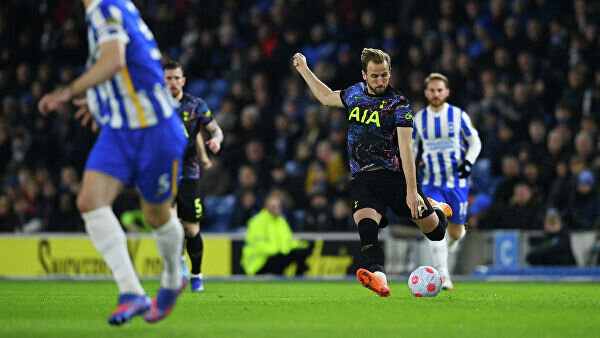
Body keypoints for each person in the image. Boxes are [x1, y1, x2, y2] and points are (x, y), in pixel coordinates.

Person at [38, 0, 187, 325]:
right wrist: (99, 99)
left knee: (156, 215)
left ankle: (174, 279)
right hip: (121, 129)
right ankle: (131, 292)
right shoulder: (110, 9)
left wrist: (67, 92)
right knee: (89, 201)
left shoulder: (107, 7)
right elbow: (127, 64)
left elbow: (113, 60)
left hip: (156, 128)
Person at [293, 48, 451, 297]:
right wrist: (303, 69)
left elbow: (406, 148)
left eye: (385, 75)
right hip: (364, 178)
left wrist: (411, 191)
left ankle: (438, 209)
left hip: (396, 178)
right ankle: (379, 276)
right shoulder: (354, 93)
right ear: (364, 75)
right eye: (375, 76)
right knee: (366, 224)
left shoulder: (399, 104)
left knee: (436, 232)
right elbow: (325, 97)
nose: (381, 81)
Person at [412, 72, 482, 290]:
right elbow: (412, 148)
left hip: (457, 183)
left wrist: (468, 163)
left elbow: (475, 141)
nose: (435, 94)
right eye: (432, 90)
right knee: (435, 224)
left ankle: (450, 246)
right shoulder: (419, 119)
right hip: (431, 183)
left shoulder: (458, 115)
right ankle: (443, 275)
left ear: (447, 92)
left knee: (456, 232)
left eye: (439, 90)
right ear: (426, 92)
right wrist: (410, 173)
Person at [163, 60, 224, 292]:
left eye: (177, 78)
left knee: (191, 228)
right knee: (169, 223)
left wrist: (216, 141)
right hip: (162, 170)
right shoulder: (154, 104)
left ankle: (196, 274)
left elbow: (215, 129)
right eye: (168, 78)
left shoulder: (195, 105)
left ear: (183, 80)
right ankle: (177, 265)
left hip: (188, 170)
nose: (173, 82)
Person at [241, 191, 310, 276]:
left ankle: (299, 279)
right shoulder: (257, 222)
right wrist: (280, 250)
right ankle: (270, 274)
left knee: (301, 252)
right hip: (259, 261)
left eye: (279, 205)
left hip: (277, 255)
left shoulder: (281, 221)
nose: (277, 208)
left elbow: (287, 240)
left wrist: (300, 245)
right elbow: (260, 245)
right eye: (274, 206)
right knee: (280, 257)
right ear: (266, 207)